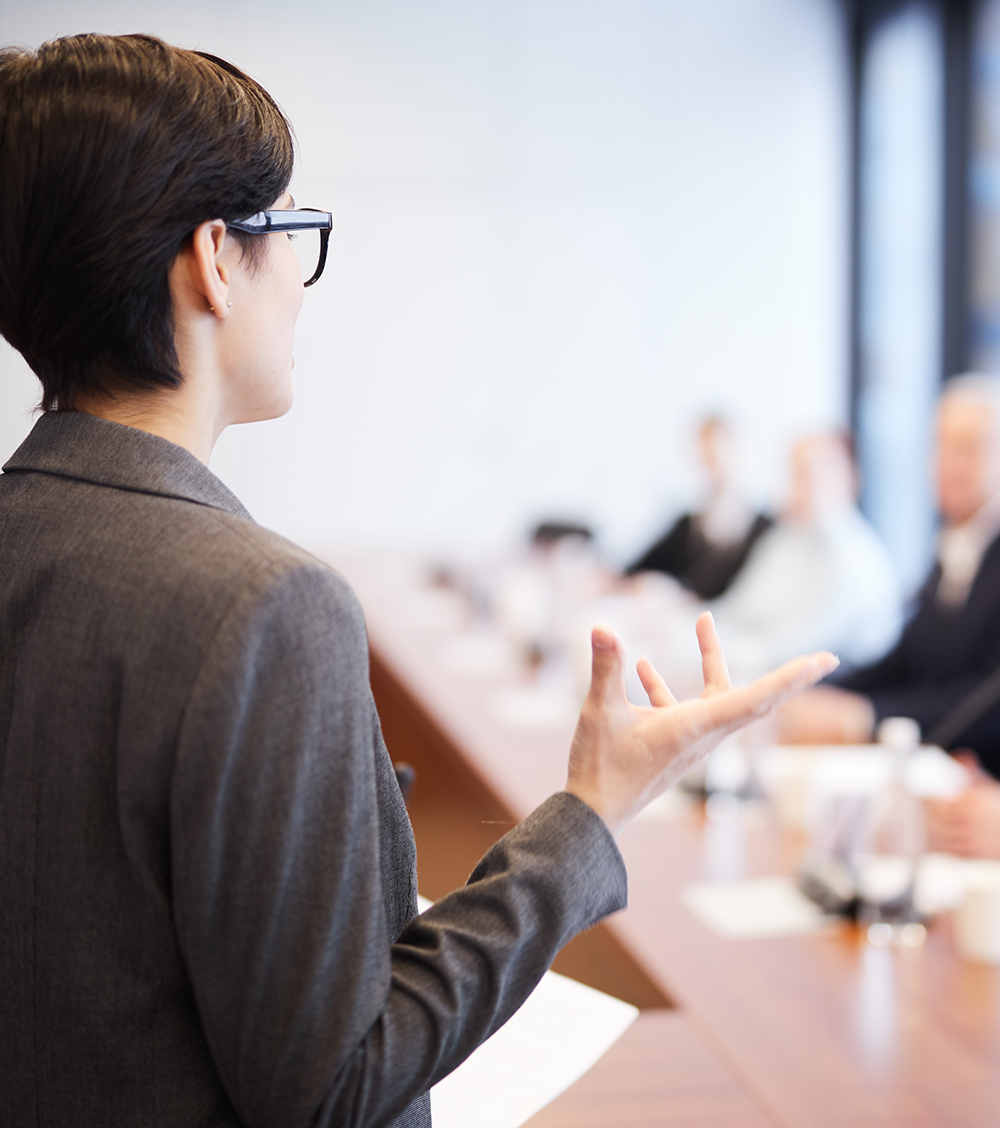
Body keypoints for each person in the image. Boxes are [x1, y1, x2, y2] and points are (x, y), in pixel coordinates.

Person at [0, 34, 836, 1128]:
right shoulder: (260, 606)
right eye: (292, 232)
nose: (300, 282)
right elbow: (335, 1088)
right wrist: (588, 815)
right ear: (214, 258)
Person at [780, 375, 1000, 782]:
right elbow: (906, 660)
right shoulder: (953, 547)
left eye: (970, 447)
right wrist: (821, 687)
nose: (950, 463)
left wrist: (864, 716)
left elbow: (984, 702)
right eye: (941, 445)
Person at [709, 433, 902, 675]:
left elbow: (794, 648)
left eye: (805, 475)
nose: (791, 488)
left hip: (822, 691)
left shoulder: (852, 558)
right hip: (761, 668)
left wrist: (711, 652)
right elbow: (740, 608)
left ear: (845, 478)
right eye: (790, 474)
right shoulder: (789, 536)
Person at [625, 417, 772, 599]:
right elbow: (639, 567)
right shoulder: (688, 525)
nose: (715, 468)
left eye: (721, 456)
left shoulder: (766, 529)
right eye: (707, 458)